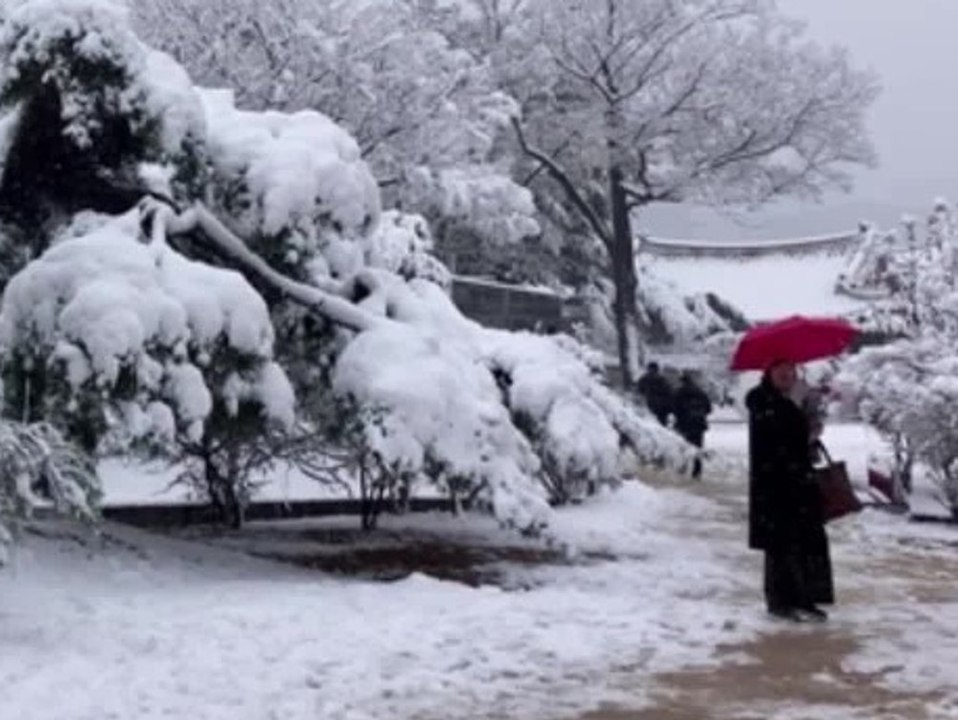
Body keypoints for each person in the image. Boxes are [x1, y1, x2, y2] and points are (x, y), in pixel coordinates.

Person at [746, 360, 834, 623]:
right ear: (768, 373)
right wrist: (803, 433)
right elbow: (775, 442)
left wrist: (810, 434)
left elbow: (795, 440)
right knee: (780, 546)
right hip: (776, 485)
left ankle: (804, 597)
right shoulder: (763, 402)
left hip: (799, 483)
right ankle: (781, 601)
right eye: (780, 370)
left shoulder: (789, 401)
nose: (786, 375)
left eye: (791, 370)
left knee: (805, 543)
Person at [673, 371, 712, 479]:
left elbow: (675, 409)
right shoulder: (700, 392)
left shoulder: (679, 392)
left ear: (682, 382)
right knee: (698, 447)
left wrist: (680, 419)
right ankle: (697, 471)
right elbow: (708, 409)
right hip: (699, 423)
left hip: (684, 424)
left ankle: (683, 467)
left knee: (683, 446)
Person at [636, 362, 673, 426]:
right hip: (661, 405)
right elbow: (669, 392)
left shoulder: (644, 379)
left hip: (652, 404)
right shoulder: (662, 379)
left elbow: (640, 391)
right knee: (661, 423)